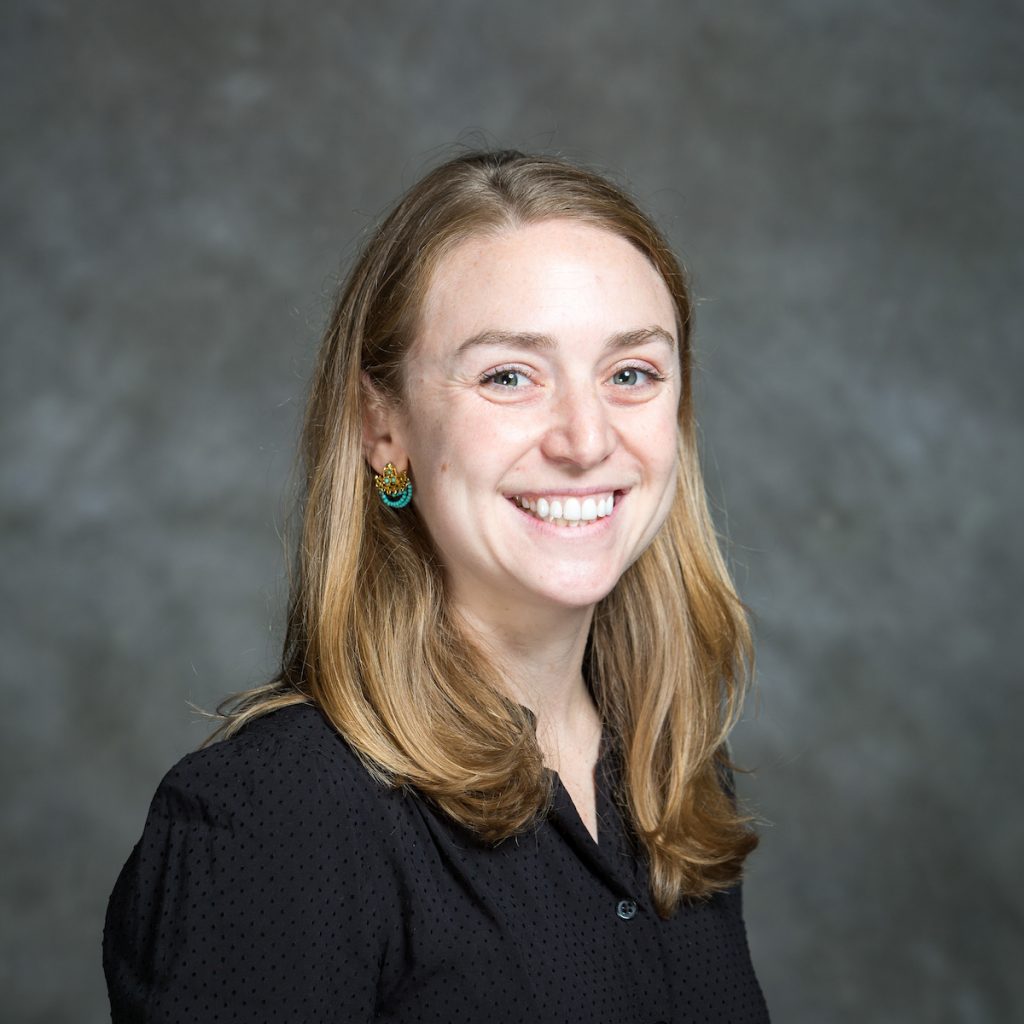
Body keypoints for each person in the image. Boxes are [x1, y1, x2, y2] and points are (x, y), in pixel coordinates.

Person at [103, 149, 770, 1023]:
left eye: (631, 374)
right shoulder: (276, 815)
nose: (585, 437)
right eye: (508, 376)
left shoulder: (673, 781)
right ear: (384, 430)